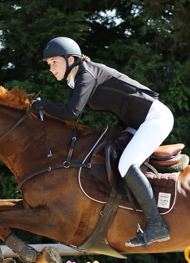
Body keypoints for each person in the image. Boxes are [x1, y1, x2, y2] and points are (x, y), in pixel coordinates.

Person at [32, 37, 174, 248]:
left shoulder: (86, 74)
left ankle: (156, 225)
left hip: (154, 118)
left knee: (126, 164)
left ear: (71, 59)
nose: (51, 68)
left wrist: (41, 105)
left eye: (54, 62)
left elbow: (71, 113)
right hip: (135, 122)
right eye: (49, 64)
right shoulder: (75, 79)